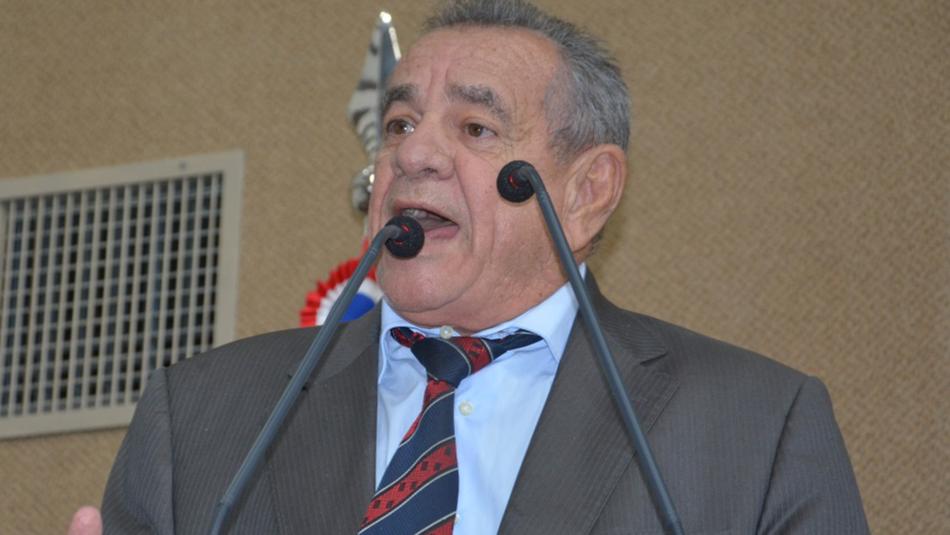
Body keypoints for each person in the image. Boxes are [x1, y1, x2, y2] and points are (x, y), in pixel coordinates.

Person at [70, 1, 869, 533]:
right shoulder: (201, 417)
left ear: (588, 192)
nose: (413, 153)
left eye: (476, 128)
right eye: (400, 123)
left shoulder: (755, 428)